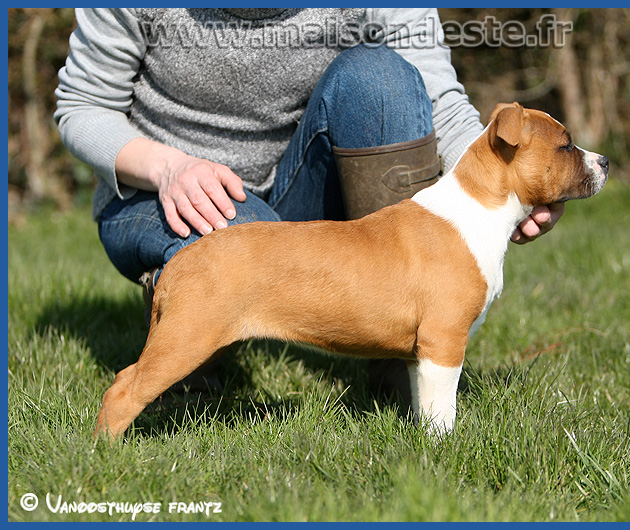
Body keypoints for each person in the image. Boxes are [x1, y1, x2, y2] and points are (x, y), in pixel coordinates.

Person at [55, 8, 564, 403]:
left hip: (297, 188)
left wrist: (510, 181)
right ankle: (183, 342)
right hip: (158, 188)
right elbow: (81, 106)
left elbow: (441, 102)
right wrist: (167, 168)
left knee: (381, 79)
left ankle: (401, 355)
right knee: (232, 247)